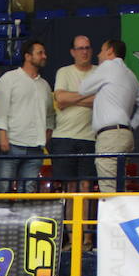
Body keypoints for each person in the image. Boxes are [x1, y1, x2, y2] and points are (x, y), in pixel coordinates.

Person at [76, 40, 139, 192]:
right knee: (119, 186)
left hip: (110, 136)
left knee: (109, 188)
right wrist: (131, 125)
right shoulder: (130, 74)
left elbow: (83, 88)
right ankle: (123, 216)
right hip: (125, 135)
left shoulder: (108, 66)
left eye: (101, 50)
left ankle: (113, 217)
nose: (98, 55)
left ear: (110, 52)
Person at [0, 40, 54, 193]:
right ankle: (2, 217)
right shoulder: (9, 78)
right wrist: (2, 136)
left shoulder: (45, 85)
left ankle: (22, 218)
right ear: (27, 56)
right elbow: (0, 109)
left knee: (28, 190)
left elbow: (50, 116)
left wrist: (46, 136)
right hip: (12, 143)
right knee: (3, 188)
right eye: (40, 53)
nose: (44, 56)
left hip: (36, 147)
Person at [49, 36, 97, 193]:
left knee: (86, 186)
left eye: (87, 48)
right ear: (72, 52)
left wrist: (71, 99)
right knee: (69, 187)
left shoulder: (99, 73)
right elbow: (60, 98)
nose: (85, 52)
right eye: (80, 48)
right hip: (64, 137)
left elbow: (100, 100)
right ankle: (70, 218)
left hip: (90, 138)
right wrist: (87, 95)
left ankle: (83, 219)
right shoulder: (64, 72)